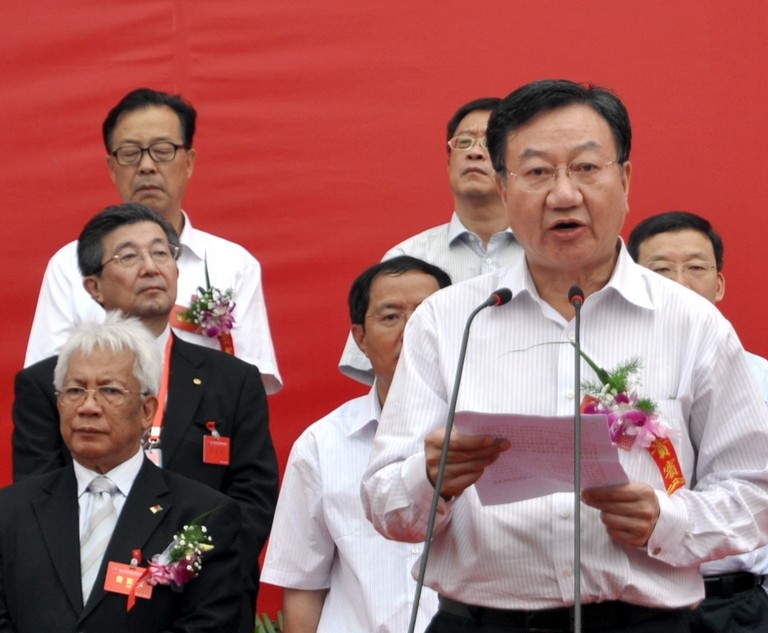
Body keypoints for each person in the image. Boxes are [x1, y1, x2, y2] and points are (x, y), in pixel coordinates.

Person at [361, 79, 768, 633]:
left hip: (641, 625)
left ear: (625, 179)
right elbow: (385, 505)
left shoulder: (691, 323)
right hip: (482, 623)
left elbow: (759, 492)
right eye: (537, 172)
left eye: (587, 168)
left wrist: (667, 520)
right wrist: (431, 477)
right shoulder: (448, 321)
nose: (564, 194)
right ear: (503, 187)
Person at [13, 202, 278, 633]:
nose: (151, 267)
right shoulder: (47, 382)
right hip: (73, 603)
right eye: (129, 256)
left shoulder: (233, 380)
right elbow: (37, 504)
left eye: (161, 253)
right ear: (94, 287)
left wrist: (179, 570)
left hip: (204, 598)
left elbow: (253, 498)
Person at [24, 87, 282, 393]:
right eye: (130, 153)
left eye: (162, 150)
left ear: (188, 162)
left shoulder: (234, 264)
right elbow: (47, 378)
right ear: (112, 168)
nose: (146, 166)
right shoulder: (70, 265)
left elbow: (251, 383)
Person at [628, 211, 768, 630]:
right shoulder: (607, 386)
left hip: (736, 607)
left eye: (696, 268)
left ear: (719, 284)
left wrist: (760, 595)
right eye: (661, 270)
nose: (680, 283)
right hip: (635, 608)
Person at [0, 314, 244, 632]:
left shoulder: (203, 515)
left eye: (110, 391)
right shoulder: (10, 512)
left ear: (146, 411)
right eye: (74, 391)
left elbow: (208, 623)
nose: (88, 406)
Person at [262, 256, 451, 633]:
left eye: (426, 314)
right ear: (360, 339)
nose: (410, 331)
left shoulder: (488, 436)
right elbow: (302, 586)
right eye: (391, 317)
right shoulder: (321, 445)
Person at [338, 97, 522, 384]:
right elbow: (382, 371)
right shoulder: (406, 258)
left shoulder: (550, 256)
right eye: (463, 142)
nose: (474, 152)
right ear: (448, 163)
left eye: (488, 143)